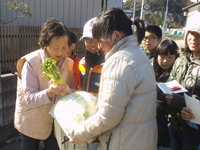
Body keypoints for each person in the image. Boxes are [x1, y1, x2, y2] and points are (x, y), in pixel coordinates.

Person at [68, 7, 158, 150]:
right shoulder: (138, 54)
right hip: (140, 140)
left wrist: (78, 133)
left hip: (123, 142)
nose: (98, 46)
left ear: (116, 36)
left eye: (100, 40)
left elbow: (108, 116)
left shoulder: (118, 61)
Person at [14, 18, 74, 150]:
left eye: (64, 47)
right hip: (31, 121)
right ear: (45, 44)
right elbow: (29, 98)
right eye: (56, 47)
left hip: (55, 122)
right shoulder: (31, 63)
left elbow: (72, 91)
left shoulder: (69, 63)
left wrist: (72, 94)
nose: (60, 52)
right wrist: (50, 92)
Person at [162, 23, 200, 150]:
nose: (193, 38)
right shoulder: (180, 60)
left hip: (193, 130)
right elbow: (171, 84)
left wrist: (180, 101)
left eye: (198, 35)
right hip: (174, 125)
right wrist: (161, 89)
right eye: (191, 33)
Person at [153, 39, 179, 150]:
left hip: (167, 127)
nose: (165, 61)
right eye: (162, 57)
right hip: (151, 125)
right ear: (156, 56)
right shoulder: (150, 71)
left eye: (170, 58)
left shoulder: (177, 75)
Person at [78, 17, 105, 97]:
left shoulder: (109, 63)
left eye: (95, 39)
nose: (91, 44)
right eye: (87, 40)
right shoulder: (82, 63)